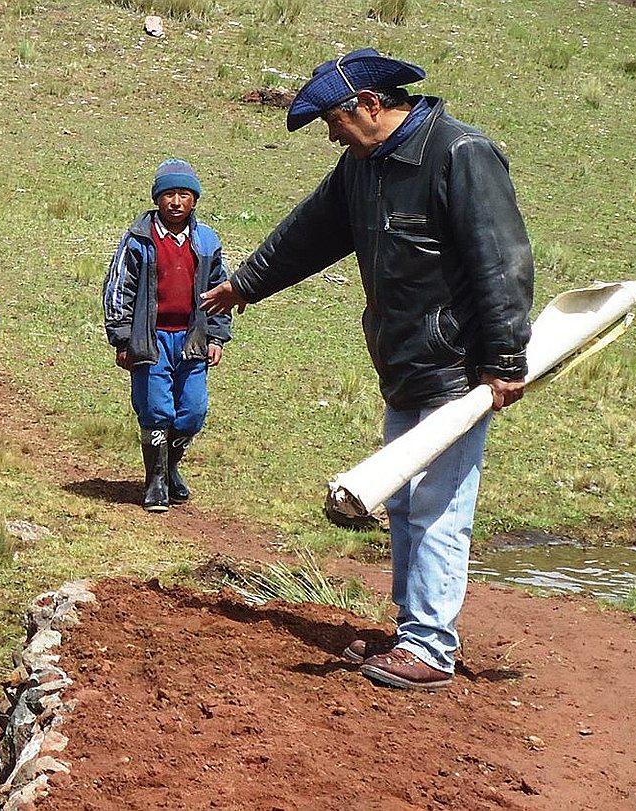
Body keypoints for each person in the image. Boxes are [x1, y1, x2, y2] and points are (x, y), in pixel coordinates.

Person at [201, 48, 534, 690]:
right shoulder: (363, 167)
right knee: (403, 501)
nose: (332, 136)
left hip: (458, 369)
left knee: (439, 505)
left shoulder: (460, 155)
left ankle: (431, 648)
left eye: (334, 121)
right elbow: (310, 232)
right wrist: (246, 284)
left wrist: (504, 360)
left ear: (370, 105)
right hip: (401, 361)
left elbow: (502, 261)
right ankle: (414, 631)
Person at [103, 158, 232, 512]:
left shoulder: (206, 241)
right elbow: (119, 289)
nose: (176, 202)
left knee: (193, 410)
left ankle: (171, 467)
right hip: (151, 339)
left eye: (184, 195)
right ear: (157, 198)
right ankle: (156, 480)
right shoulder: (139, 239)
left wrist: (217, 336)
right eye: (169, 194)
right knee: (156, 408)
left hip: (192, 338)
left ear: (195, 200)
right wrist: (122, 338)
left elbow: (220, 291)